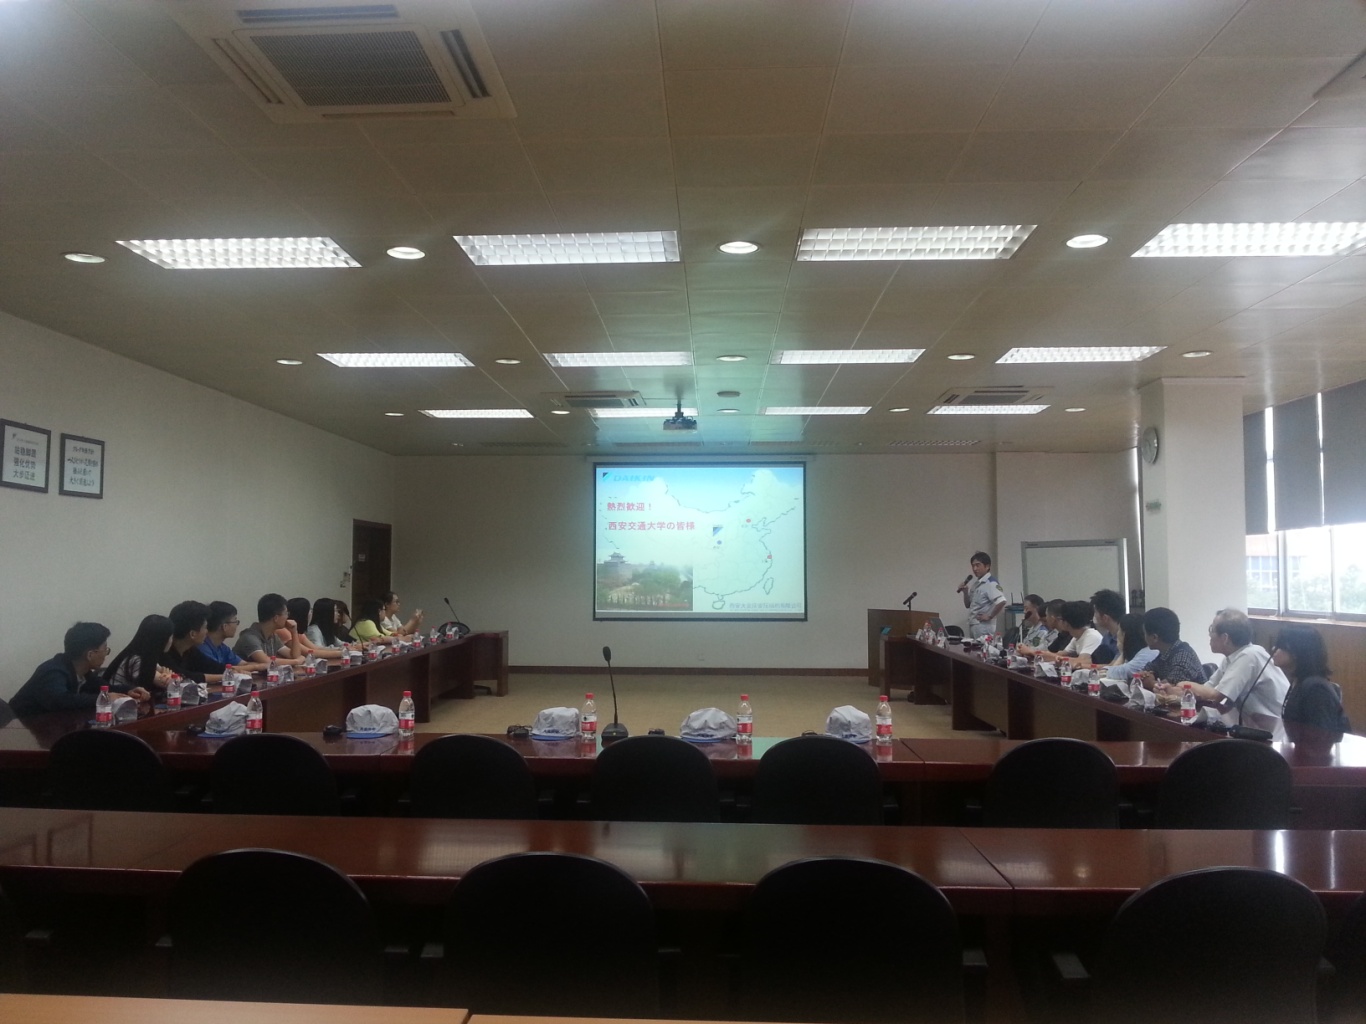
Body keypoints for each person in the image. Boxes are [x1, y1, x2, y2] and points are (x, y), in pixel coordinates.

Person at [1158, 609, 1288, 736]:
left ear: (1225, 638)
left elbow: (1216, 695)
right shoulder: (1232, 657)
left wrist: (1185, 684)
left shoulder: (1249, 656)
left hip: (1278, 729)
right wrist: (1172, 691)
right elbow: (1206, 690)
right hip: (1255, 727)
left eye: (1212, 629)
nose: (1209, 635)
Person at [11, 622, 148, 718]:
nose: (106, 654)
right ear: (90, 655)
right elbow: (61, 701)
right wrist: (105, 698)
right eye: (105, 649)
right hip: (21, 730)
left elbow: (105, 688)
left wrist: (129, 690)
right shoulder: (53, 671)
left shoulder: (83, 672)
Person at [1273, 623, 1350, 742]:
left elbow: (1320, 737)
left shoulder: (1316, 689)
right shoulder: (1298, 682)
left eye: (1280, 647)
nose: (1274, 650)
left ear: (1296, 653)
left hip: (1315, 752)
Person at [1138, 607, 1205, 694]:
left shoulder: (1183, 657)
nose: (1144, 637)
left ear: (1154, 637)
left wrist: (1151, 683)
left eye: (1144, 633)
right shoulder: (1165, 653)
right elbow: (1143, 674)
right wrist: (1144, 675)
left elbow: (1170, 689)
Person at [104, 614, 176, 695]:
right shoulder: (137, 660)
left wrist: (170, 677)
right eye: (171, 637)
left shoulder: (145, 656)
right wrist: (170, 677)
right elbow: (170, 683)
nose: (171, 641)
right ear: (162, 640)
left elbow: (172, 679)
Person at [233, 593, 304, 665]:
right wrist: (296, 661)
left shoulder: (272, 636)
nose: (287, 617)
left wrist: (294, 632)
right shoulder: (249, 637)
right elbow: (265, 661)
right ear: (276, 618)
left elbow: (294, 655)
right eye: (286, 613)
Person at [198, 601, 260, 675]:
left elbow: (243, 664)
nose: (237, 625)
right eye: (235, 621)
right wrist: (257, 667)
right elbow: (218, 670)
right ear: (225, 626)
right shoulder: (202, 647)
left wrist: (260, 666)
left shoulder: (222, 647)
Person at [956, 551, 1006, 639]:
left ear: (987, 566)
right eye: (973, 566)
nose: (975, 568)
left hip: (984, 627)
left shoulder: (991, 583)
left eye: (978, 565)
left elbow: (1002, 601)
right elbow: (968, 605)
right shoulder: (977, 584)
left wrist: (990, 616)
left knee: (983, 647)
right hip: (974, 624)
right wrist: (965, 592)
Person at [1038, 600, 1103, 662]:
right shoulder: (1076, 636)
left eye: (1061, 619)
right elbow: (1063, 653)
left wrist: (1055, 657)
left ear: (1066, 623)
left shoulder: (1092, 636)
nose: (1059, 621)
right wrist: (1044, 654)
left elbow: (1083, 661)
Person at [1103, 612, 1159, 680]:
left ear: (1125, 634)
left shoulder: (1147, 652)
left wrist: (1122, 652)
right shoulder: (1137, 653)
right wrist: (1122, 653)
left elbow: (1121, 672)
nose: (1117, 634)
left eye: (1119, 630)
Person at [287, 596, 347, 660]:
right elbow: (309, 652)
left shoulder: (300, 634)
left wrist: (343, 649)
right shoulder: (312, 630)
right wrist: (343, 652)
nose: (338, 614)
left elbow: (316, 648)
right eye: (310, 610)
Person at [1089, 589, 1126, 664]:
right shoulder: (1107, 637)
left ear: (1105, 618)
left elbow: (1114, 666)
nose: (1094, 616)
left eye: (1095, 612)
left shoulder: (1125, 637)